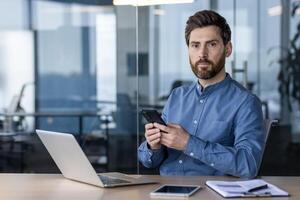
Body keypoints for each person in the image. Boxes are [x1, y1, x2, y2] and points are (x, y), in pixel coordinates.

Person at [138, 10, 264, 178]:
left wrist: (188, 143)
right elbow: (148, 161)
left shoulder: (246, 102)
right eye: (195, 45)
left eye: (211, 44)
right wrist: (153, 146)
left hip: (210, 193)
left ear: (228, 49)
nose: (202, 54)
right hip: (164, 190)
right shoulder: (177, 96)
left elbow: (248, 164)